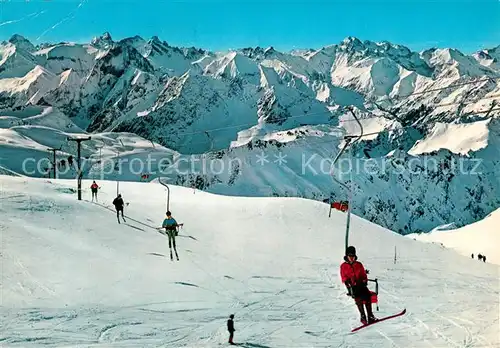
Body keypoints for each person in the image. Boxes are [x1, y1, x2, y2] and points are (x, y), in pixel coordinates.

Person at [340, 246, 377, 325]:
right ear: (346, 256)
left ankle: (370, 316)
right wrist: (347, 282)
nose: (352, 258)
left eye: (353, 256)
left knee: (367, 296)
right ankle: (363, 316)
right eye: (350, 256)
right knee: (358, 298)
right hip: (352, 286)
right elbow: (343, 276)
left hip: (361, 284)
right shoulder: (343, 266)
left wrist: (364, 280)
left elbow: (363, 275)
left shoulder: (359, 264)